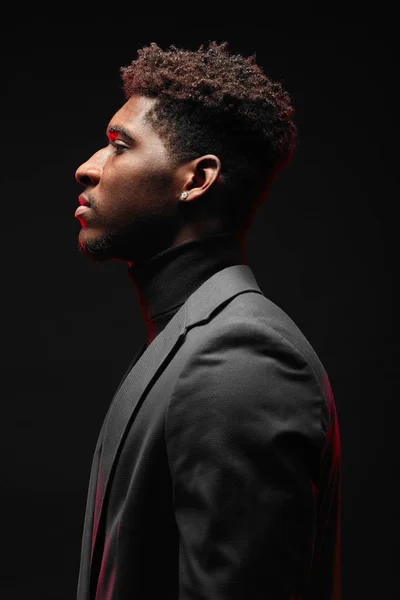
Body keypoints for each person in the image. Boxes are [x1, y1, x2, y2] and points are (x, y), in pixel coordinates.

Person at [74, 41, 341, 600]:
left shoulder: (240, 358)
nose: (88, 168)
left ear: (196, 180)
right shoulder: (192, 337)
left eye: (119, 146)